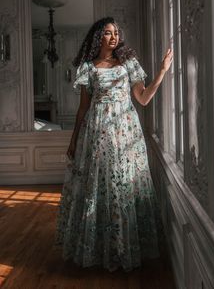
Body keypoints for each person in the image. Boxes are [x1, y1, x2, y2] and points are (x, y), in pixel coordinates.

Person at [54, 17, 173, 272]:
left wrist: (162, 71)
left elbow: (142, 98)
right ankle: (99, 249)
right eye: (108, 33)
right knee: (99, 188)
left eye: (116, 32)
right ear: (98, 37)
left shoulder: (128, 63)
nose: (114, 37)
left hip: (125, 133)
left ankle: (124, 248)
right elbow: (83, 108)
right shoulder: (87, 67)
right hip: (95, 133)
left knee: (124, 185)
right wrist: (74, 139)